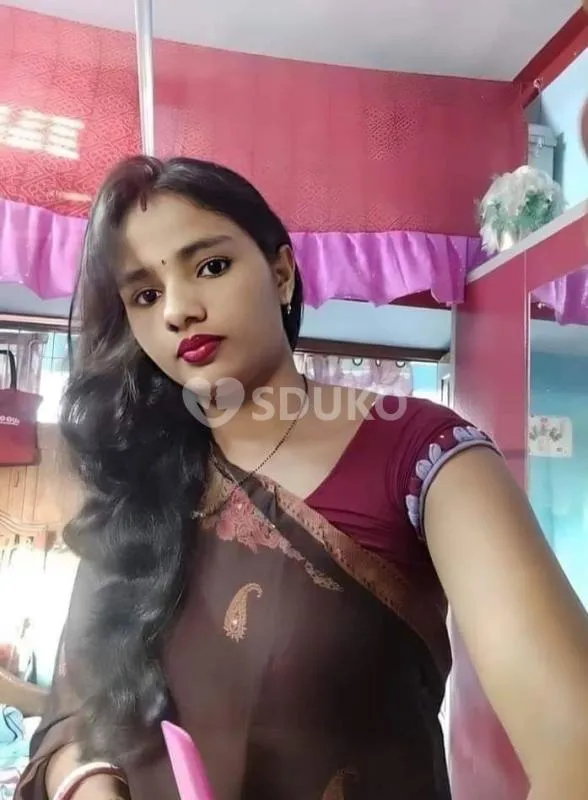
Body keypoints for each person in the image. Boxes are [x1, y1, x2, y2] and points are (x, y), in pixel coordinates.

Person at [16, 156, 588, 800]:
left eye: (211, 266)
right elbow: (78, 715)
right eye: (145, 295)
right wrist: (89, 783)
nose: (178, 310)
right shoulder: (141, 490)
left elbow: (577, 747)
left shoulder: (424, 455)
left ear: (282, 273)